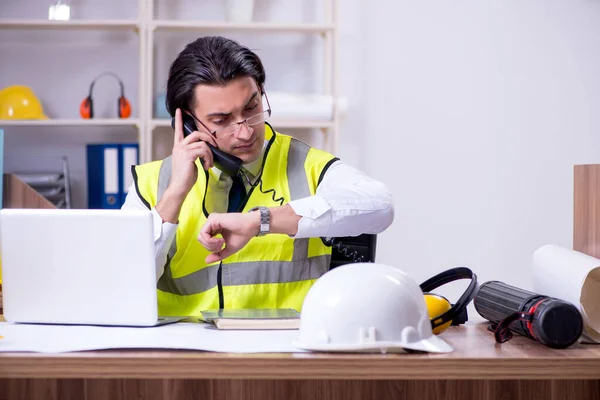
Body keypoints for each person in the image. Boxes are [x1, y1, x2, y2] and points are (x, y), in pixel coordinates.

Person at [122, 36, 395, 317]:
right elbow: (122, 288)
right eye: (221, 121)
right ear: (189, 123)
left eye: (251, 108)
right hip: (188, 352)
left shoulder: (306, 165)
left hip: (288, 350)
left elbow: (380, 205)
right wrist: (175, 194)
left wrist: (262, 221)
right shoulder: (151, 182)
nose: (246, 131)